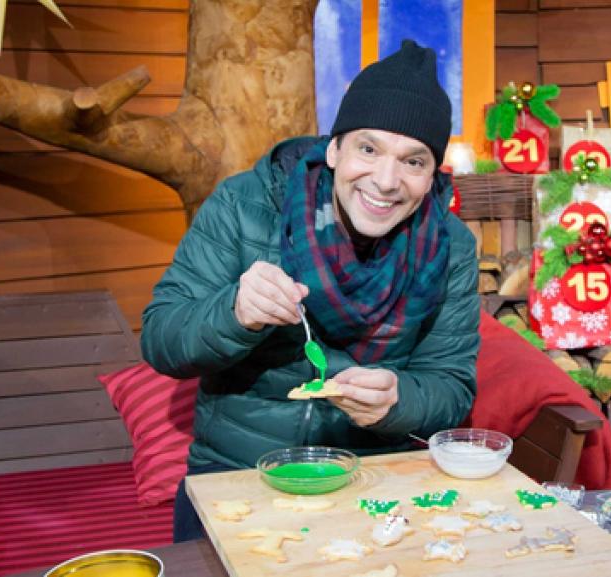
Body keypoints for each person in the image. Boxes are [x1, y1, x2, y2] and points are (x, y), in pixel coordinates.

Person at [141, 39, 480, 542]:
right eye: (368, 149)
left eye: (413, 161)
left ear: (433, 175)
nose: (386, 181)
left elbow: (451, 387)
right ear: (335, 147)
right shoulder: (244, 205)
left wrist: (399, 400)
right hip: (237, 474)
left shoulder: (449, 247)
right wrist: (234, 312)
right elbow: (161, 340)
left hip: (373, 480)